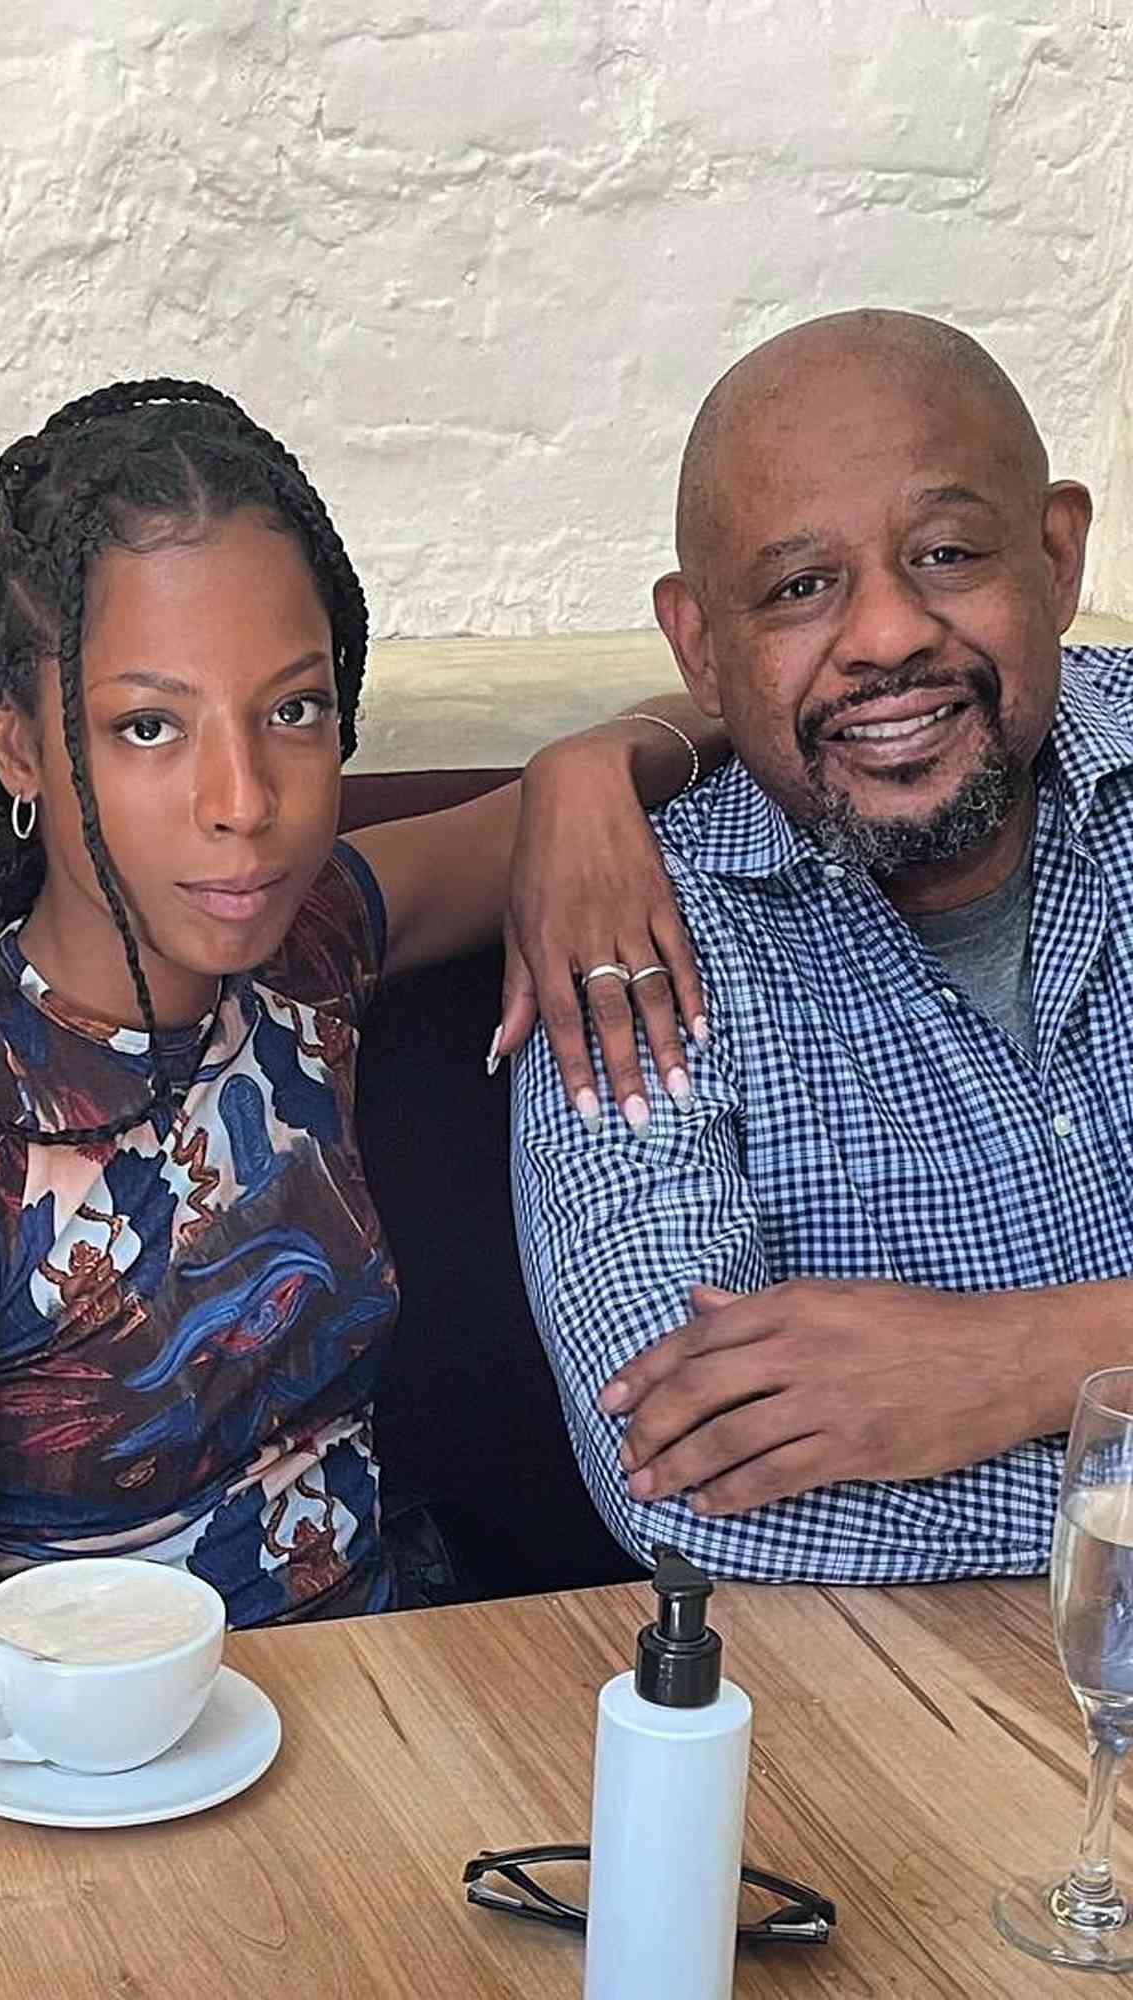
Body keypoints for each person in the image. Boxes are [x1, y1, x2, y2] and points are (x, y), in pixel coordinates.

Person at [0, 379, 725, 1675]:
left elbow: (705, 721)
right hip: (100, 1798)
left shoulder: (309, 947)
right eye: (149, 726)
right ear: (19, 751)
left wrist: (586, 769)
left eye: (292, 710)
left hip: (390, 1713)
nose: (245, 802)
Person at [512, 308, 1133, 1585]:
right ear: (697, 645)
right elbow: (693, 1485)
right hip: (917, 1742)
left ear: (1057, 556)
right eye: (800, 587)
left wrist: (1027, 1359)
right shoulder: (639, 937)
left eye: (947, 552)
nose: (887, 635)